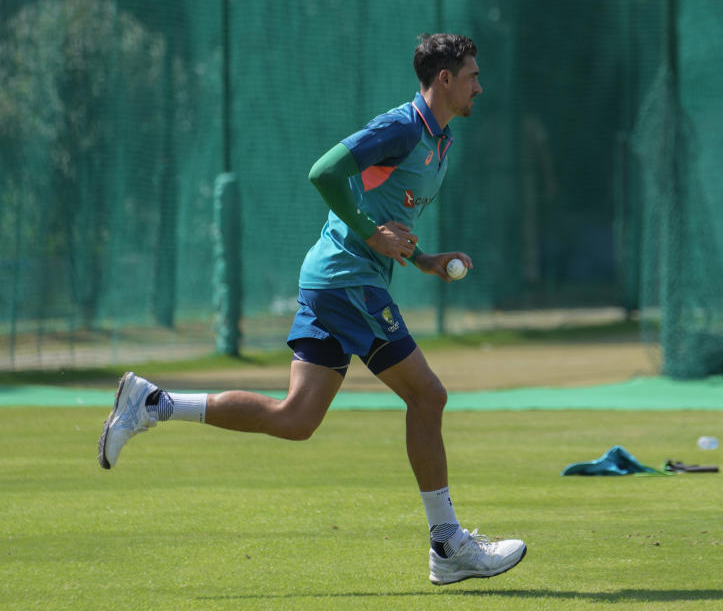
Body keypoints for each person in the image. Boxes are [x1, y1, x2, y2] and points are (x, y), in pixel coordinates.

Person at [97, 33, 526, 586]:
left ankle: (152, 403)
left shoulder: (439, 141)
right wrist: (373, 236)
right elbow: (323, 171)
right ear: (443, 79)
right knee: (429, 395)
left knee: (295, 419)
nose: (479, 86)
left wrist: (422, 259)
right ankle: (447, 544)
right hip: (348, 283)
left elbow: (386, 209)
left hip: (336, 283)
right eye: (471, 75)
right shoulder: (401, 127)